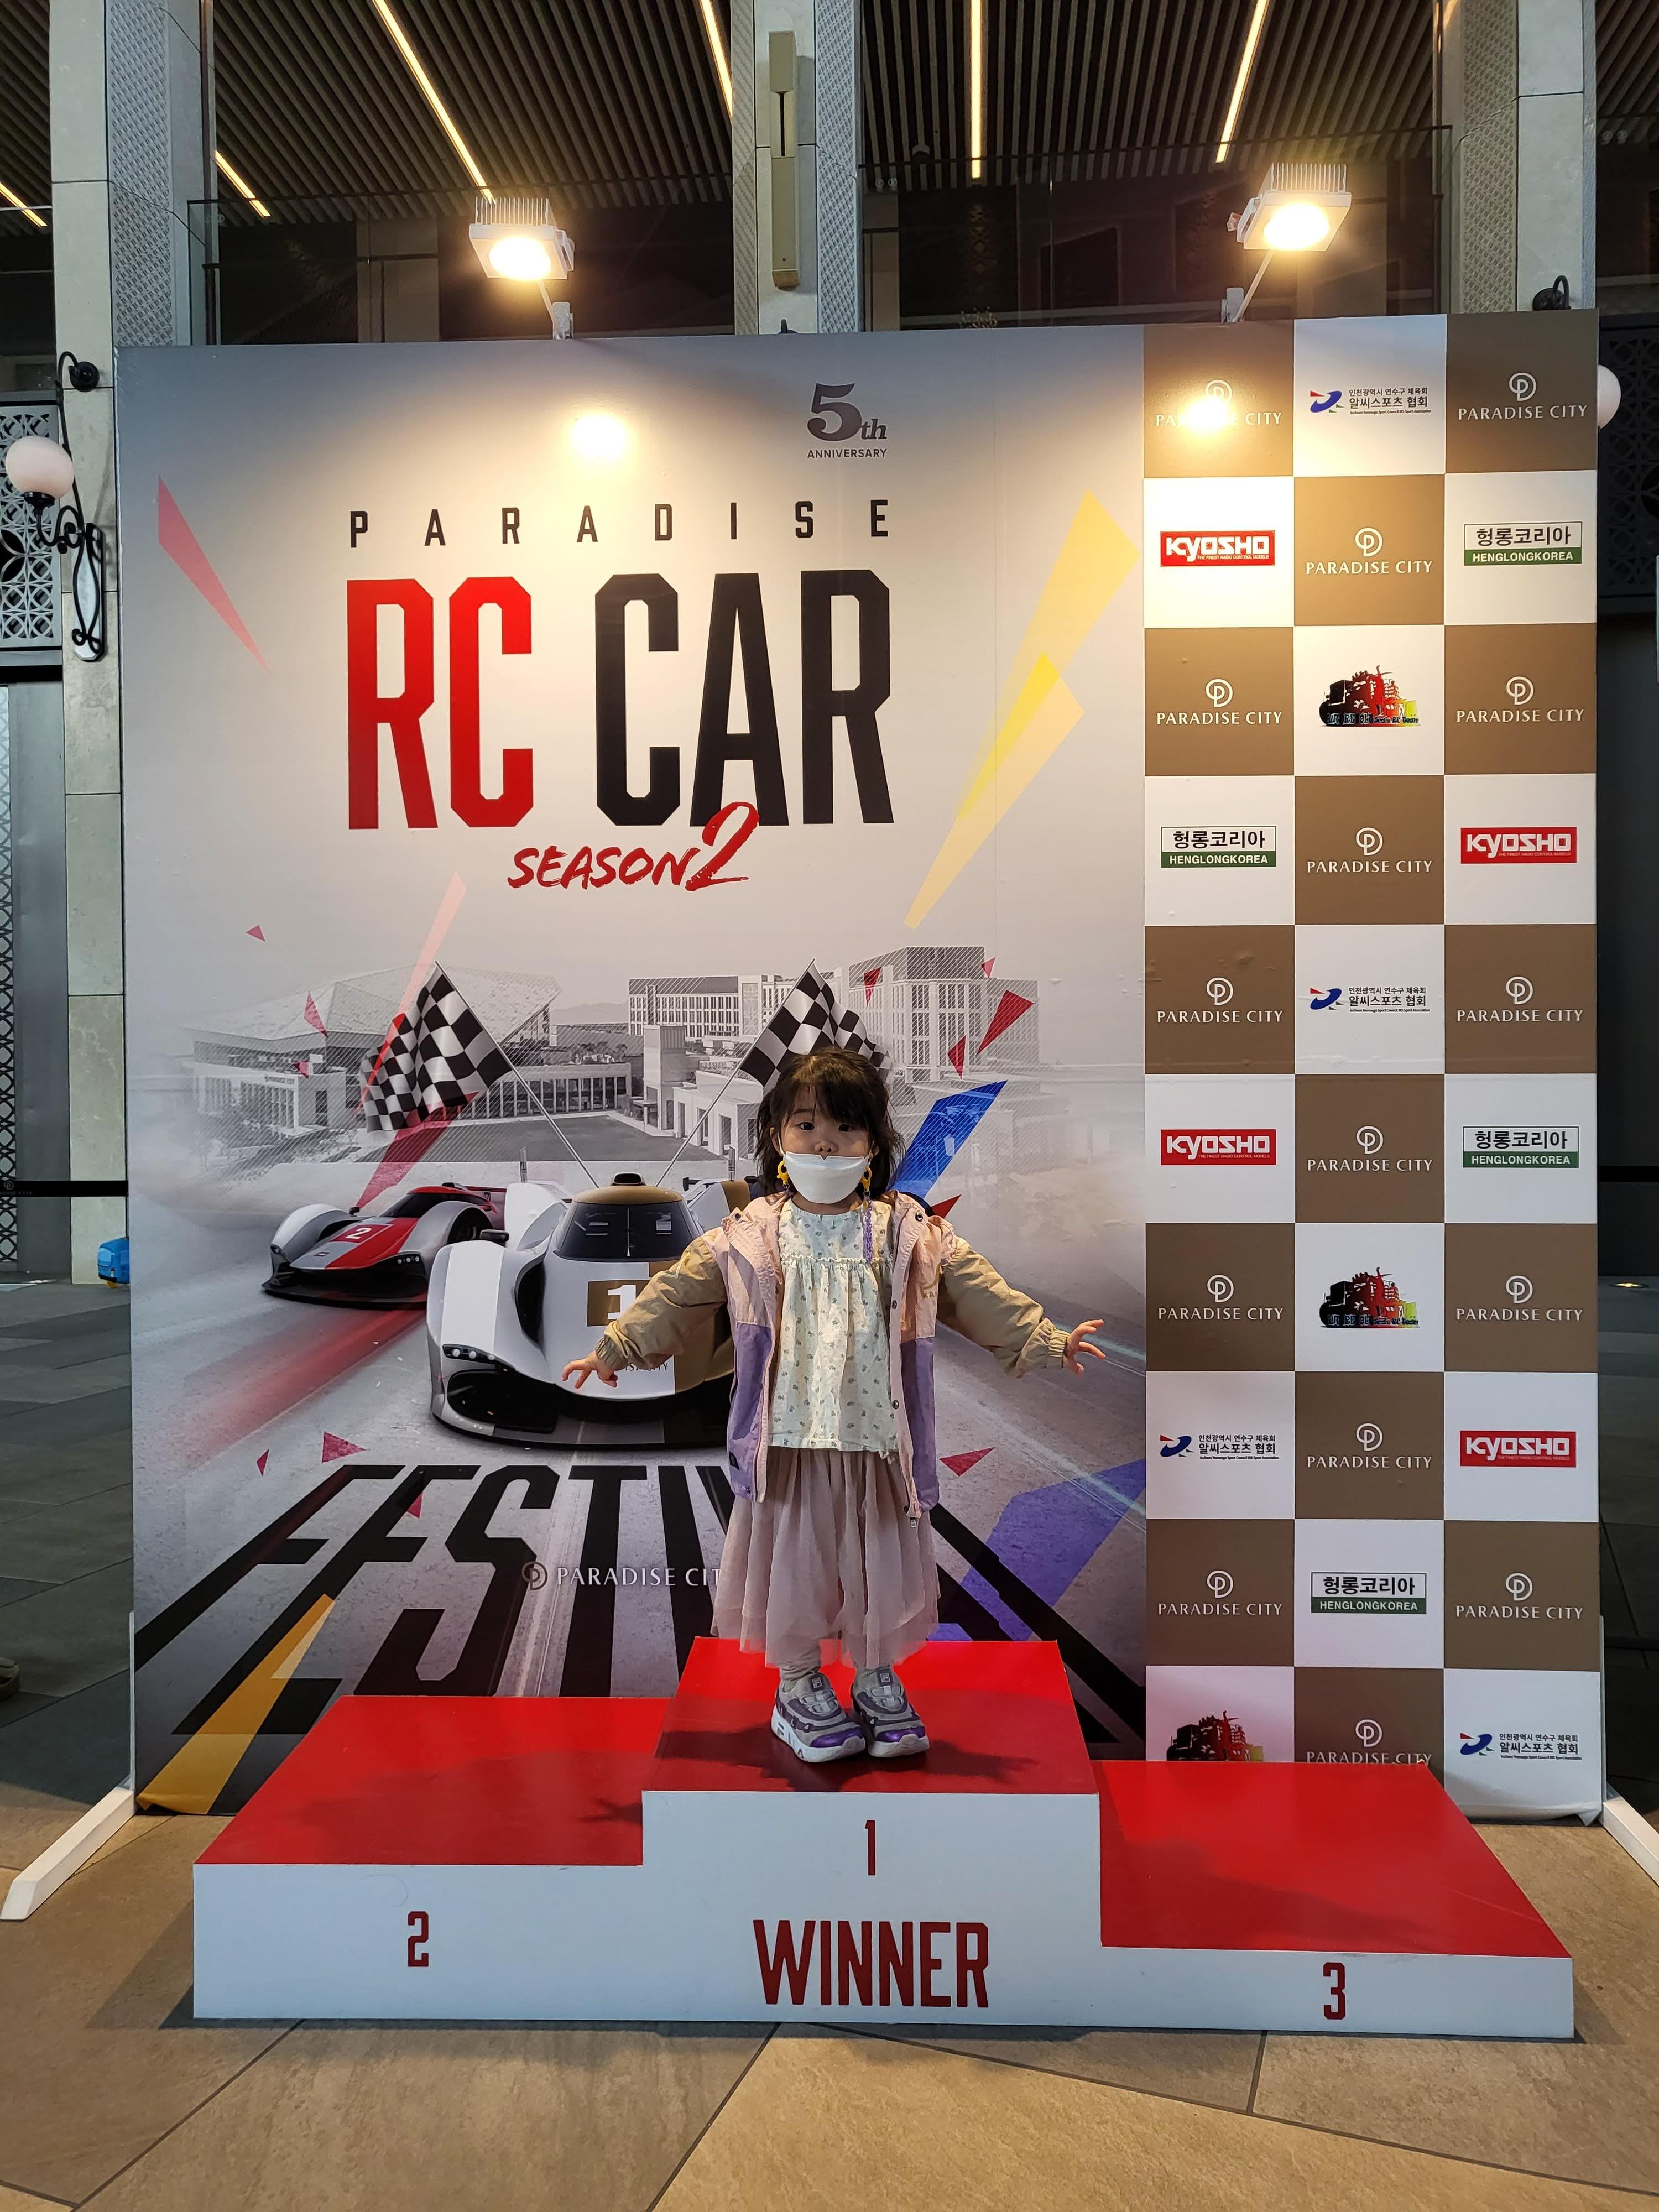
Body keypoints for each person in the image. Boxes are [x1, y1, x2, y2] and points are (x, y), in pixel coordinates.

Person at [562, 1047, 1105, 1765]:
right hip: (788, 1444)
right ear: (777, 1138)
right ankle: (799, 1686)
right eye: (807, 1124)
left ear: (874, 1145)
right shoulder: (749, 1235)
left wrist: (1044, 1338)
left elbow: (975, 1291)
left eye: (847, 1128)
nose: (825, 1143)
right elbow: (679, 1292)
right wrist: (618, 1346)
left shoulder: (908, 1234)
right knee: (797, 1567)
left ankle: (877, 1680)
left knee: (879, 1563)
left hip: (878, 1442)